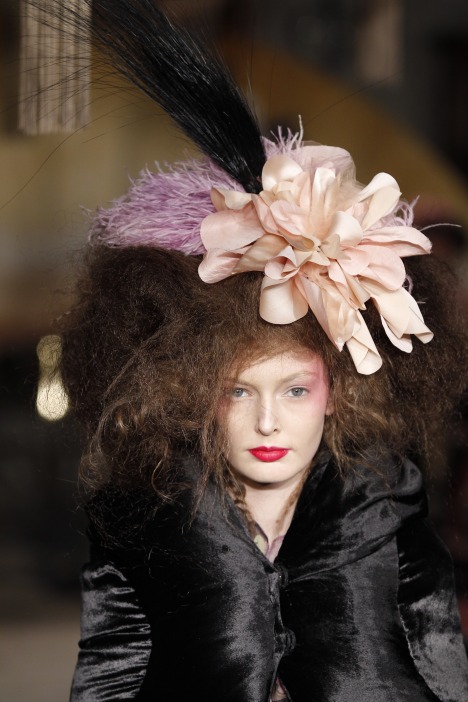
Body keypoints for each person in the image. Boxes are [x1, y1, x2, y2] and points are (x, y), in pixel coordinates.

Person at [37, 0, 468, 699]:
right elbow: (111, 668)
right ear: (188, 393)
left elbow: (439, 658)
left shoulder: (385, 497)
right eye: (237, 391)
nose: (268, 422)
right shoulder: (142, 510)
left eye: (296, 390)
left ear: (339, 390)